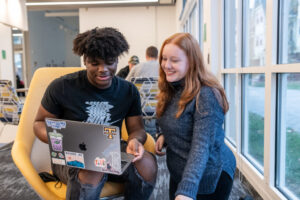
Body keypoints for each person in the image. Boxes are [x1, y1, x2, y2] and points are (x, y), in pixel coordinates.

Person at [33, 27, 157, 200]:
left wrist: (135, 140)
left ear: (116, 61)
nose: (103, 69)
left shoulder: (128, 91)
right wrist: (63, 137)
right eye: (95, 63)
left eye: (110, 62)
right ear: (85, 60)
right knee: (93, 167)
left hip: (111, 152)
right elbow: (38, 123)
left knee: (147, 164)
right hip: (72, 156)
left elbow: (137, 129)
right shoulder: (61, 87)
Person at [155, 33, 236, 200]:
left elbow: (202, 146)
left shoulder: (206, 95)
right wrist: (164, 134)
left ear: (191, 62)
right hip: (179, 171)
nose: (166, 65)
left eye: (174, 60)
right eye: (164, 58)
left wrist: (186, 190)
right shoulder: (172, 87)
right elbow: (169, 116)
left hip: (208, 175)